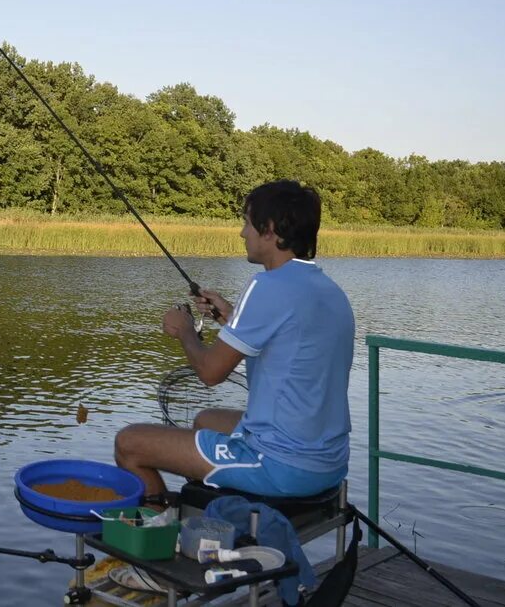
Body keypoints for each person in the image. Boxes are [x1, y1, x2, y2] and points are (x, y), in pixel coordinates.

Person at [114, 179, 355, 506]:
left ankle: (159, 532)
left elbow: (211, 373)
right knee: (205, 420)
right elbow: (285, 339)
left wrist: (185, 329)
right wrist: (229, 316)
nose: (243, 233)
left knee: (129, 443)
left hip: (281, 463)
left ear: (269, 230)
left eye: (247, 222)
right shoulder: (328, 289)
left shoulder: (267, 285)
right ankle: (216, 509)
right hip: (328, 459)